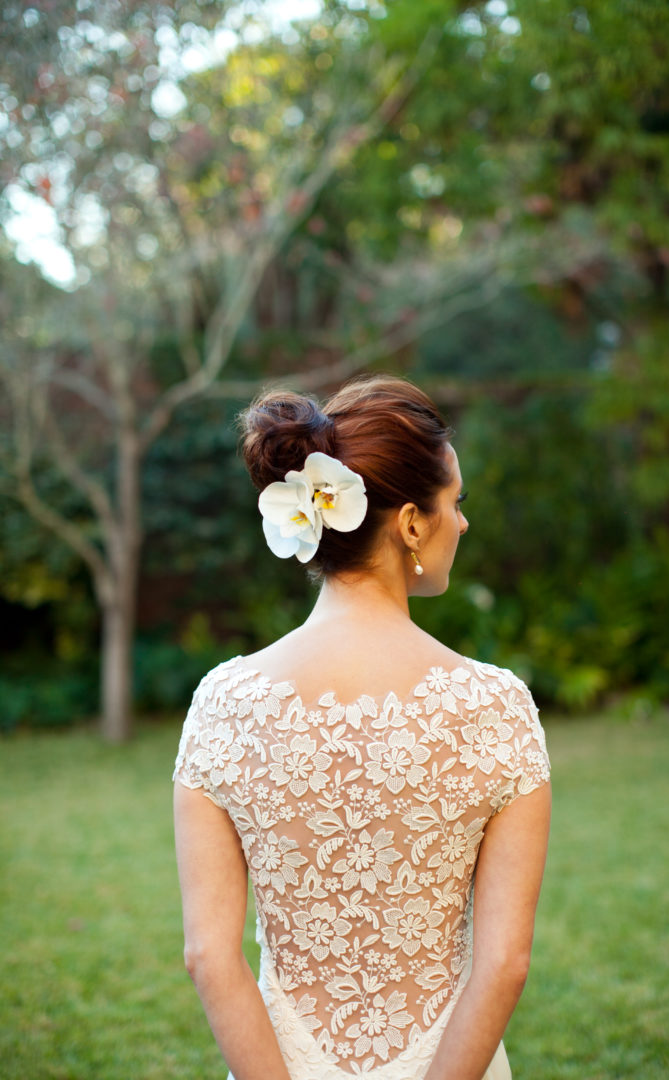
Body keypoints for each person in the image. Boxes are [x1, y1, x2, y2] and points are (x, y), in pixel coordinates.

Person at [173, 375, 551, 1080]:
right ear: (411, 521)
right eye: (455, 503)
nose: (462, 523)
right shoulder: (496, 708)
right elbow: (503, 965)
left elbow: (209, 957)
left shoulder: (222, 702)